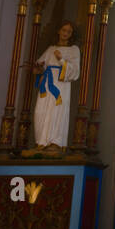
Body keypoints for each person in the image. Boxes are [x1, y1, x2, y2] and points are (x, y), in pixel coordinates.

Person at [31, 22, 80, 152]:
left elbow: (75, 71)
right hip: (47, 83)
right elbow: (40, 64)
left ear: (71, 35)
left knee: (57, 111)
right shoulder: (50, 49)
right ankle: (41, 142)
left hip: (61, 84)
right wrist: (39, 69)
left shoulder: (73, 50)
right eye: (64, 30)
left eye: (69, 31)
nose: (65, 33)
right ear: (59, 31)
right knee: (40, 110)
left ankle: (55, 142)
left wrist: (61, 60)